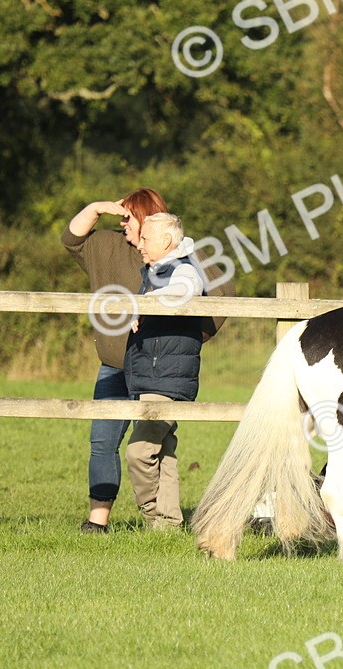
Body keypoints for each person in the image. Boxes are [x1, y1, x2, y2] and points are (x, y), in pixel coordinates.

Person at [63, 189, 168, 532]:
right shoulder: (106, 245)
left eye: (129, 216)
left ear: (148, 219)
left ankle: (162, 522)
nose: (122, 222)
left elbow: (214, 292)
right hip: (114, 366)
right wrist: (95, 207)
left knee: (154, 447)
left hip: (154, 367)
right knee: (102, 443)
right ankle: (98, 521)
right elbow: (71, 238)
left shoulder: (171, 255)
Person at [123, 213, 207, 528]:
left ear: (166, 242)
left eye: (145, 239)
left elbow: (188, 290)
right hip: (157, 376)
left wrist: (141, 303)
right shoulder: (157, 270)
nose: (139, 245)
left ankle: (150, 515)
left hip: (166, 379)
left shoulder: (182, 268)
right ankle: (168, 523)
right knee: (164, 454)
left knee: (139, 452)